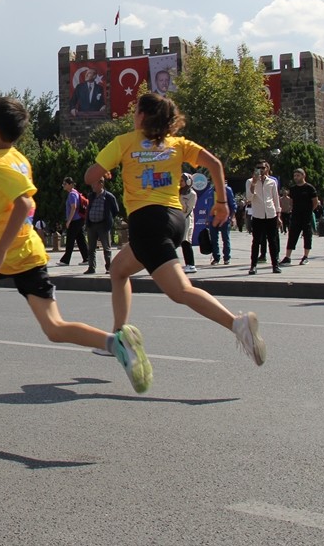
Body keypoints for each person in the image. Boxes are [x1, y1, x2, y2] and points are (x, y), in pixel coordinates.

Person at [0, 97, 153, 393]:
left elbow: (24, 203)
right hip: (30, 252)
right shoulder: (18, 158)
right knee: (54, 327)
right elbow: (15, 204)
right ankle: (115, 343)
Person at [87, 92, 266, 368]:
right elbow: (215, 165)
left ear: (143, 116)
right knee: (119, 270)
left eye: (136, 111)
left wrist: (105, 172)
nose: (133, 116)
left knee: (179, 290)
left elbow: (90, 176)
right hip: (174, 218)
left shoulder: (124, 143)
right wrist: (221, 202)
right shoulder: (178, 144)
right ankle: (120, 335)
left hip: (146, 222)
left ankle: (237, 324)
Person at [246, 161, 281, 274]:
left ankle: (275, 265)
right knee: (256, 241)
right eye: (258, 167)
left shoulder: (272, 182)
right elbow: (249, 198)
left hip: (271, 214)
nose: (260, 169)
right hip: (258, 215)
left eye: (263, 167)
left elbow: (276, 199)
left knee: (273, 241)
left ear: (267, 169)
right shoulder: (250, 181)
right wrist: (254, 184)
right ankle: (253, 265)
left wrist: (278, 215)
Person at [280, 168, 319, 266]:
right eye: (295, 176)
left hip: (306, 215)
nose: (296, 177)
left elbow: (315, 202)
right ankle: (287, 257)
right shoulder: (293, 189)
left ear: (303, 175)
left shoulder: (310, 188)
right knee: (292, 235)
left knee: (307, 235)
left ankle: (305, 257)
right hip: (295, 215)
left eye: (298, 175)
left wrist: (309, 211)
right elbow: (292, 202)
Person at [84, 174, 120, 275]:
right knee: (91, 248)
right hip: (92, 225)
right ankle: (91, 267)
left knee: (106, 248)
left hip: (103, 225)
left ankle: (109, 267)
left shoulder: (108, 196)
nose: (92, 186)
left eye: (94, 184)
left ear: (101, 183)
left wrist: (108, 218)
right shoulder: (91, 196)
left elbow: (115, 210)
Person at [203, 177, 235, 266]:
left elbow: (232, 204)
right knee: (214, 239)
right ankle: (216, 258)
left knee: (225, 238)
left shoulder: (227, 190)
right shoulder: (210, 191)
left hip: (224, 218)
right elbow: (208, 206)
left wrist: (232, 217)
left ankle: (227, 258)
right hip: (213, 218)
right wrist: (207, 217)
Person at [57, 177, 89, 266]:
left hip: (75, 220)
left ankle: (65, 260)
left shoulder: (72, 194)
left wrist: (69, 221)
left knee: (70, 240)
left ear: (70, 184)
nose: (63, 186)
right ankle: (87, 258)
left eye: (65, 184)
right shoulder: (75, 193)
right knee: (80, 239)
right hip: (79, 220)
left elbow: (73, 207)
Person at [178, 173, 198, 273]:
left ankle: (191, 264)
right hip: (178, 218)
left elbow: (187, 209)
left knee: (186, 241)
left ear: (188, 182)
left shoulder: (192, 194)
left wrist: (180, 199)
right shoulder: (178, 192)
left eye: (182, 181)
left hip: (186, 219)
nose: (180, 183)